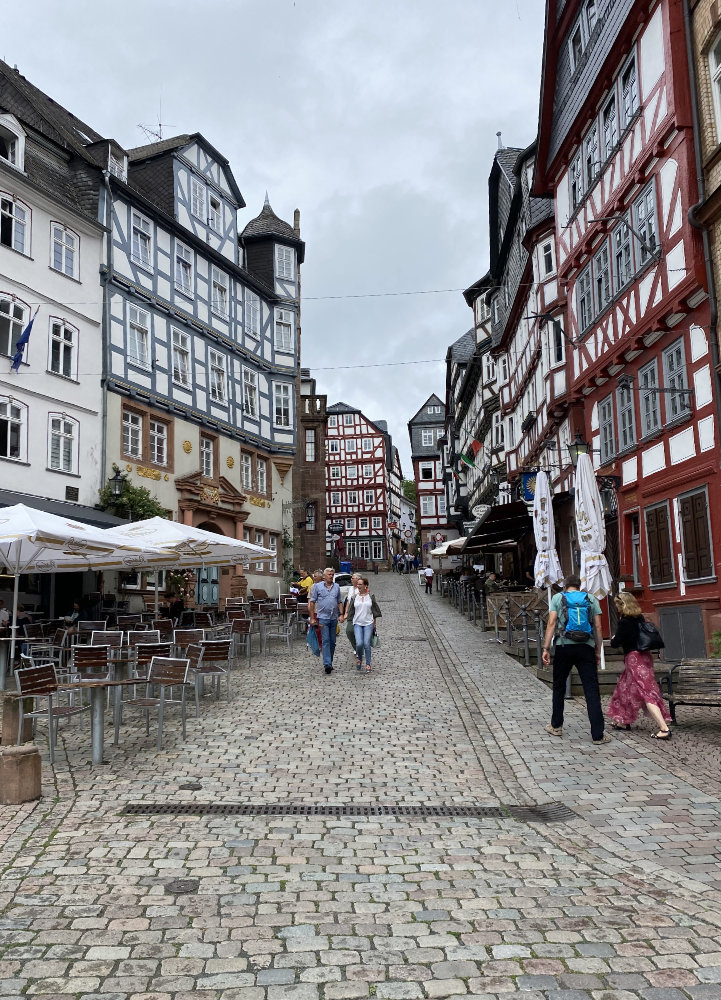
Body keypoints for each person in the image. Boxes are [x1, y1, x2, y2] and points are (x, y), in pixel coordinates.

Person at [541, 574, 610, 745]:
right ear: (580, 586)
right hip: (586, 647)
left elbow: (551, 623)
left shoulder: (558, 598)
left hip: (564, 646)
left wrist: (546, 648)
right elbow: (598, 626)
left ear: (565, 586)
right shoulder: (591, 599)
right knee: (591, 689)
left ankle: (556, 726)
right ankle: (598, 735)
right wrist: (598, 649)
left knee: (558, 686)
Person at [607, 592, 672, 739]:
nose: (616, 607)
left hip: (634, 659)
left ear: (622, 605)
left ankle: (664, 728)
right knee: (625, 688)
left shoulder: (625, 622)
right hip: (645, 656)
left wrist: (614, 638)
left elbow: (615, 643)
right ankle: (623, 721)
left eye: (617, 604)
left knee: (646, 691)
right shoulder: (639, 617)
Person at [308, 567, 346, 674]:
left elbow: (339, 601)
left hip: (333, 618)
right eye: (329, 574)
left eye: (332, 574)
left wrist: (341, 614)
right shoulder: (318, 587)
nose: (331, 576)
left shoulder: (336, 586)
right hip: (323, 618)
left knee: (332, 642)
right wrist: (312, 618)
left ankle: (330, 662)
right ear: (324, 576)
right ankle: (327, 664)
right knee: (325, 641)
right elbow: (312, 602)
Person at [348, 576, 382, 672]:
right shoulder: (355, 597)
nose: (358, 586)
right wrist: (347, 618)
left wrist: (374, 624)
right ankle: (359, 658)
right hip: (357, 623)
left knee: (366, 643)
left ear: (365, 585)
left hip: (368, 623)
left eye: (360, 584)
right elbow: (351, 610)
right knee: (359, 643)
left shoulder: (370, 597)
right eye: (357, 584)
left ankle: (368, 664)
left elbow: (374, 611)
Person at [345, 573, 361, 650]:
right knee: (349, 631)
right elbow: (348, 601)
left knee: (358, 631)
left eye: (352, 578)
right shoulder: (351, 589)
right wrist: (346, 612)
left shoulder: (361, 588)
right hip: (351, 614)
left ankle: (359, 647)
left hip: (359, 613)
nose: (351, 579)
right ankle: (356, 647)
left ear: (358, 580)